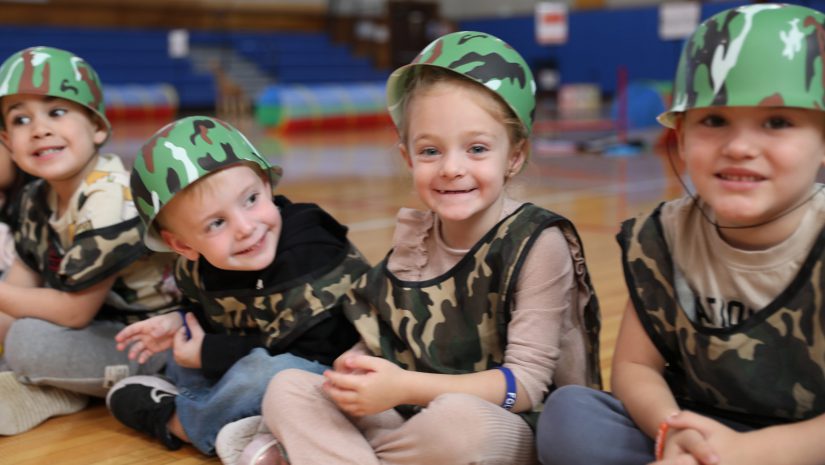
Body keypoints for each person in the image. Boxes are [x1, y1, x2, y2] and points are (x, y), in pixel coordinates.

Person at [256, 31, 602, 465]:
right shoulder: (415, 237)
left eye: (476, 148)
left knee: (459, 425)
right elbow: (383, 334)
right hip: (411, 417)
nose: (451, 168)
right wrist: (357, 365)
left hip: (502, 424)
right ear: (408, 157)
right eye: (430, 150)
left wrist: (403, 387)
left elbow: (526, 386)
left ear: (514, 155)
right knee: (288, 387)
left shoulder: (537, 242)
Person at [537, 4, 825, 465]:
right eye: (714, 120)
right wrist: (671, 431)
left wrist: (746, 454)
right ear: (682, 134)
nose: (739, 147)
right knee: (571, 415)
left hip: (801, 446)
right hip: (696, 427)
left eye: (777, 122)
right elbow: (633, 366)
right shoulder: (664, 236)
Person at [105, 115, 371, 462]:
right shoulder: (196, 265)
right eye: (216, 223)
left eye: (251, 200)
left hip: (329, 370)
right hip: (258, 358)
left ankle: (175, 420)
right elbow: (212, 312)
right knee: (181, 356)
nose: (246, 228)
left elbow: (313, 351)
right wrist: (178, 321)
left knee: (264, 375)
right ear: (183, 245)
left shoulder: (309, 248)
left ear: (266, 183)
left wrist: (209, 353)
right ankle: (250, 427)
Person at [0, 46, 181, 435]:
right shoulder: (35, 199)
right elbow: (17, 287)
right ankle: (45, 380)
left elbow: (72, 312)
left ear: (97, 126)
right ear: (7, 141)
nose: (39, 128)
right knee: (14, 332)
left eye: (57, 111)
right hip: (96, 330)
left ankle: (53, 387)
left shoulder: (111, 195)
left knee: (26, 341)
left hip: (154, 342)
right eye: (21, 118)